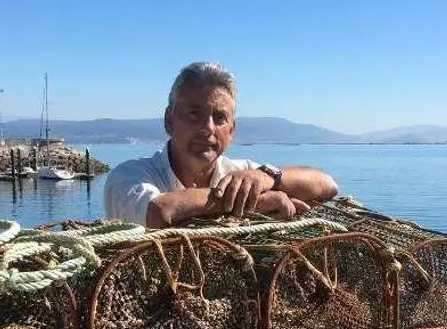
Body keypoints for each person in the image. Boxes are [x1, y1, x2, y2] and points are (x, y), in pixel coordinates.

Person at [104, 62, 338, 228]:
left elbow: (327, 185)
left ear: (232, 130)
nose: (208, 128)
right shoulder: (128, 176)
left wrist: (267, 177)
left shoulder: (241, 174)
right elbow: (159, 211)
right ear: (169, 120)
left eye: (219, 118)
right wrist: (255, 203)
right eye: (194, 114)